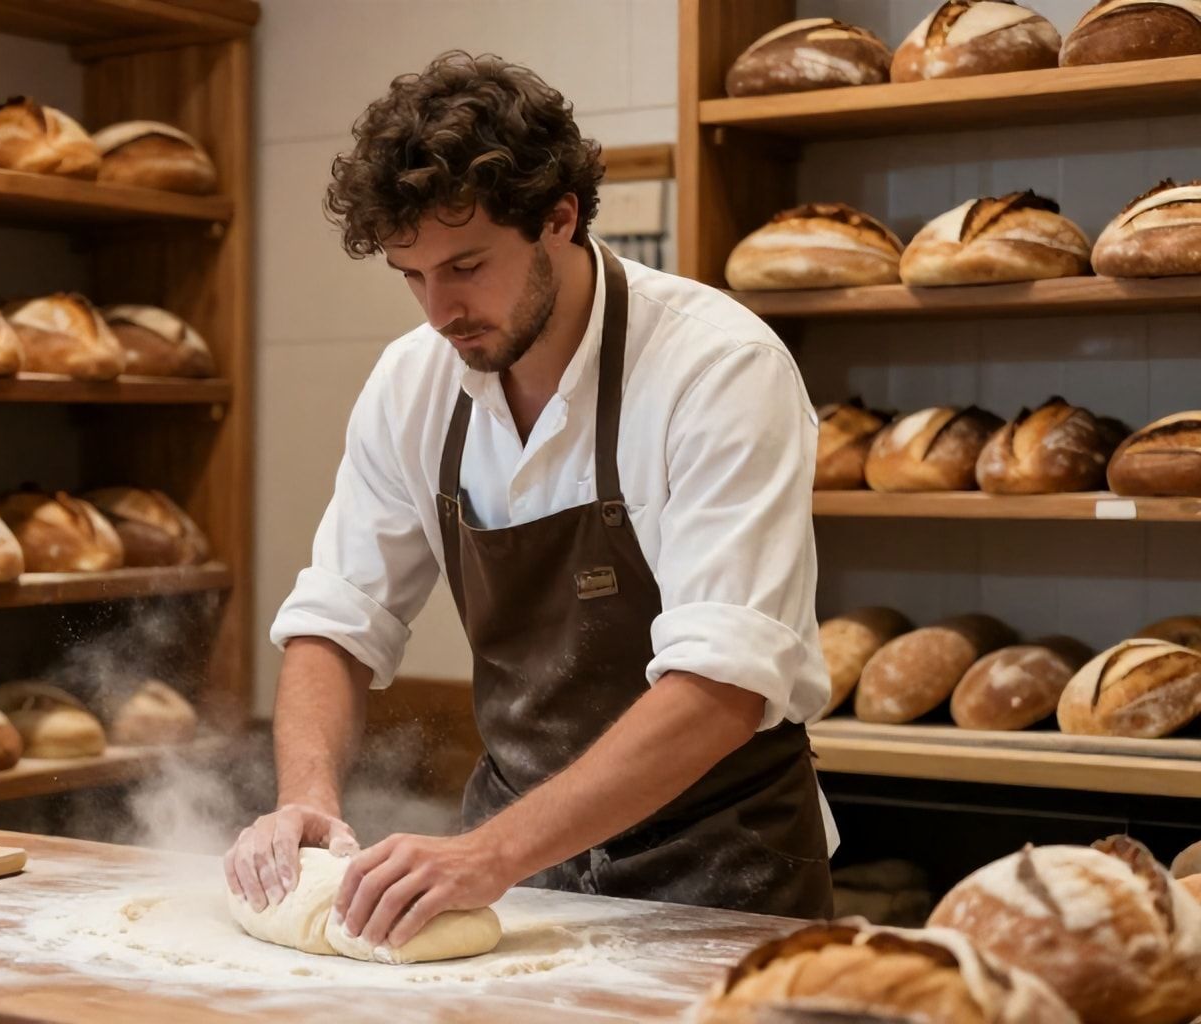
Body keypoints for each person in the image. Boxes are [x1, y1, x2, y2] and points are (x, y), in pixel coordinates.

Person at [224, 51, 835, 951]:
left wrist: (488, 853)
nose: (440, 310)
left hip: (720, 877)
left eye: (467, 265)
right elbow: (337, 621)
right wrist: (307, 799)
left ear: (561, 218)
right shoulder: (413, 386)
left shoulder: (717, 369)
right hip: (527, 882)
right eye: (412, 274)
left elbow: (723, 688)